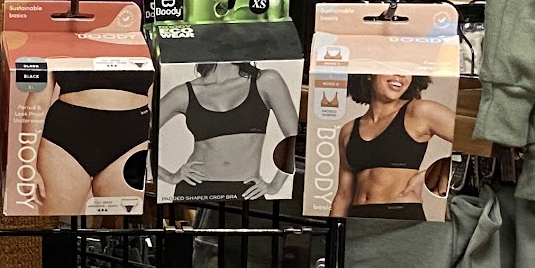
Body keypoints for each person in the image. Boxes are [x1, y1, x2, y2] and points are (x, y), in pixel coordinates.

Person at [16, 62, 155, 211]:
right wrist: (28, 165)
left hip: (131, 137)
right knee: (61, 228)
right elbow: (38, 100)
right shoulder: (55, 39)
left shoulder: (149, 39)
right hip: (65, 137)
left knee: (121, 229)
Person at [156, 61, 299, 200]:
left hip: (247, 190)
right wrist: (170, 177)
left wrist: (275, 185)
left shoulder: (266, 81)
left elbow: (294, 137)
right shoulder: (183, 93)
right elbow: (137, 138)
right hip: (196, 189)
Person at [327, 71, 456, 217]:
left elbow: (478, 144)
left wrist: (430, 174)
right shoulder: (348, 130)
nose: (401, 75)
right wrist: (331, 234)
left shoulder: (419, 112)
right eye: (392, 67)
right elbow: (343, 196)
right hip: (357, 219)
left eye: (408, 69)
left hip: (402, 221)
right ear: (370, 73)